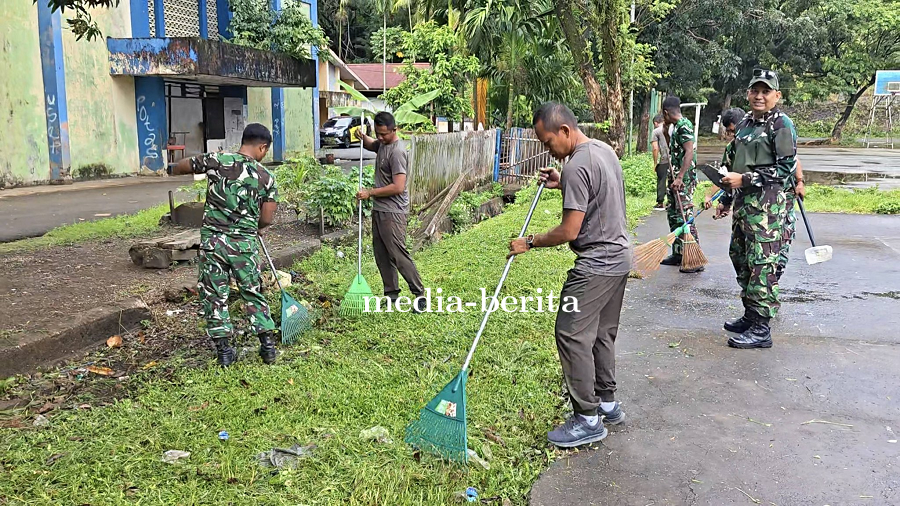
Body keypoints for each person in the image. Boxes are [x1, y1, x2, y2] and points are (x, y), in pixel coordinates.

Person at [508, 103, 631, 448]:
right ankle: (607, 404)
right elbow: (596, 193)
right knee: (602, 333)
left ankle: (587, 419)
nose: (548, 150)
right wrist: (562, 182)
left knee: (570, 332)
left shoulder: (577, 164)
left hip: (596, 263)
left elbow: (569, 231)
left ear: (564, 131)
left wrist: (529, 242)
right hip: (620, 258)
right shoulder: (602, 150)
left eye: (548, 142)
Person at [173, 124, 279, 367]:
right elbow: (267, 218)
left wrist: (198, 164)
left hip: (214, 244)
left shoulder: (216, 160)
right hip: (244, 246)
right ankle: (267, 347)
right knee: (252, 292)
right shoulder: (266, 176)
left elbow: (182, 166)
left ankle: (224, 352)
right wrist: (255, 226)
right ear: (262, 147)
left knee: (214, 295)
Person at [715, 69, 797, 349]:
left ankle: (762, 328)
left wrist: (746, 179)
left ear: (777, 95)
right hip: (744, 208)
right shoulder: (745, 124)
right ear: (748, 93)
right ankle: (750, 315)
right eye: (755, 91)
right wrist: (726, 199)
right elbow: (733, 163)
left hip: (767, 212)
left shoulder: (781, 125)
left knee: (762, 266)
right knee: (741, 258)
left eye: (765, 91)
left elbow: (785, 168)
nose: (759, 96)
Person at [356, 111, 426, 310]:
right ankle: (391, 295)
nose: (380, 137)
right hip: (380, 209)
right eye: (377, 133)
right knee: (381, 254)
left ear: (395, 130)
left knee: (397, 254)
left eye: (384, 134)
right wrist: (363, 136)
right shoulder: (382, 144)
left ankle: (420, 295)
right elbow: (371, 144)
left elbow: (398, 186)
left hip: (394, 212)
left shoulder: (397, 152)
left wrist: (370, 192)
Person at [661, 96, 702, 273]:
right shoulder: (675, 127)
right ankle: (678, 253)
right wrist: (665, 130)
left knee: (685, 216)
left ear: (666, 112)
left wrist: (680, 177)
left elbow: (689, 151)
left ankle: (694, 259)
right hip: (675, 177)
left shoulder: (684, 125)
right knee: (674, 214)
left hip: (683, 179)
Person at [704, 107, 746, 210]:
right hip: (741, 207)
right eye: (729, 131)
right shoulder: (731, 148)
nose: (733, 135)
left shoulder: (759, 145)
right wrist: (724, 202)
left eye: (734, 130)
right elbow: (724, 177)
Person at [650, 114, 670, 210]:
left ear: (655, 123)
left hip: (664, 159)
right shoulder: (672, 128)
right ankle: (673, 202)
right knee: (674, 179)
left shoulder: (656, 131)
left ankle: (660, 203)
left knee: (662, 180)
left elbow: (655, 148)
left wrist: (655, 163)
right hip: (675, 158)